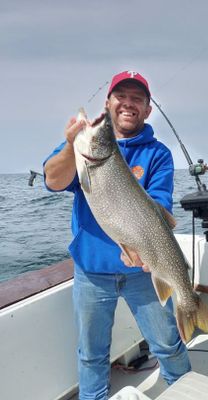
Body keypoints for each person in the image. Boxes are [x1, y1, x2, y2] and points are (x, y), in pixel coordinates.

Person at [43, 71, 191, 400]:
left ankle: (187, 392)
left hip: (142, 272)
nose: (128, 103)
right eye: (120, 96)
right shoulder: (81, 144)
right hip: (91, 273)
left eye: (137, 98)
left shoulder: (159, 153)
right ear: (108, 102)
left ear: (148, 109)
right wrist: (70, 144)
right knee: (91, 355)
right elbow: (53, 180)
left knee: (168, 346)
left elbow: (161, 206)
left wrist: (145, 249)